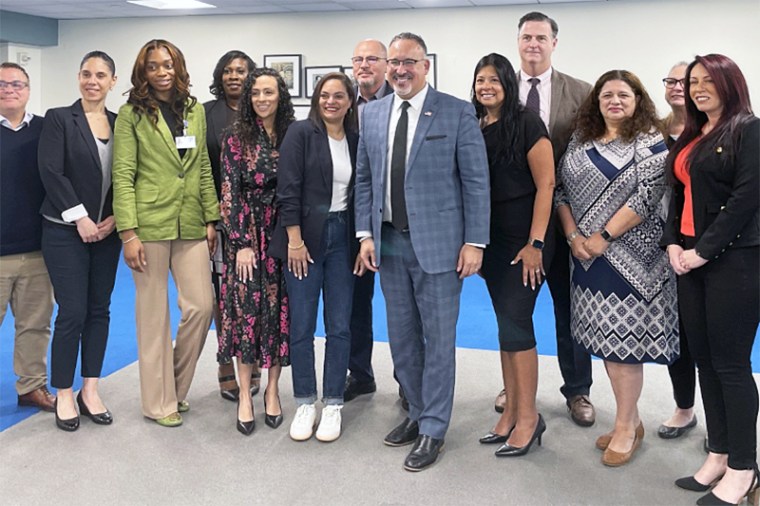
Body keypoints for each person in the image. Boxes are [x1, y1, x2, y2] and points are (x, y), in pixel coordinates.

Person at [355, 32, 490, 472]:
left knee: (438, 341)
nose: (399, 70)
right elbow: (365, 181)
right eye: (393, 62)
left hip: (440, 247)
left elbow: (475, 181)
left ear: (425, 65)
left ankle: (434, 426)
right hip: (389, 244)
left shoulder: (455, 111)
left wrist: (475, 241)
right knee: (402, 339)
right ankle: (415, 410)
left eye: (408, 62)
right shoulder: (372, 115)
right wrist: (365, 235)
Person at [555, 69, 678, 467]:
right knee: (607, 343)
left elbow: (649, 195)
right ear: (596, 101)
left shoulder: (648, 139)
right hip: (587, 260)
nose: (615, 101)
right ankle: (632, 419)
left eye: (624, 95)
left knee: (625, 347)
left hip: (633, 262)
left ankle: (625, 426)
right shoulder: (581, 138)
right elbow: (560, 189)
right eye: (607, 95)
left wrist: (601, 238)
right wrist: (574, 237)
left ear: (638, 99)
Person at [663, 54, 759, 505]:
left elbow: (745, 199)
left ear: (728, 83)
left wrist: (702, 250)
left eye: (707, 80)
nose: (697, 88)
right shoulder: (692, 134)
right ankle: (718, 453)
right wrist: (673, 245)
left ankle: (744, 467)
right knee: (704, 360)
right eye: (691, 81)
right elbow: (677, 193)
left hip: (734, 261)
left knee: (731, 366)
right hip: (688, 259)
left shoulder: (748, 129)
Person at [495, 11, 595, 427]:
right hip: (513, 226)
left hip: (568, 221)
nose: (532, 44)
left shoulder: (582, 93)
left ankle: (577, 391)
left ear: (554, 42)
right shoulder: (499, 91)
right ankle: (514, 388)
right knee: (513, 310)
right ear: (517, 42)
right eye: (526, 37)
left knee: (569, 310)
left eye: (541, 37)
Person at [113, 39, 219, 428]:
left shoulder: (193, 110)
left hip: (190, 221)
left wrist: (211, 217)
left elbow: (203, 165)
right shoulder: (131, 114)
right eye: (154, 66)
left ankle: (171, 386)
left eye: (168, 64)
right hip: (148, 224)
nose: (162, 72)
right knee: (153, 315)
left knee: (201, 306)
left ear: (179, 67)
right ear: (144, 71)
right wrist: (128, 233)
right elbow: (122, 175)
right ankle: (158, 402)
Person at [270, 72, 361, 443]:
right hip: (304, 240)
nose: (331, 101)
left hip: (344, 238)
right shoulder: (300, 134)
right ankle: (306, 400)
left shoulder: (355, 139)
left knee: (339, 325)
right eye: (324, 95)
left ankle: (334, 402)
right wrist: (294, 240)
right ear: (316, 98)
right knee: (303, 324)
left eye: (339, 96)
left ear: (350, 101)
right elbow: (287, 188)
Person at [472, 53, 555, 457]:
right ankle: (511, 413)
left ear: (508, 83)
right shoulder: (476, 125)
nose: (486, 86)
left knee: (518, 324)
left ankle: (529, 418)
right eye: (479, 80)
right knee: (506, 327)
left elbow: (547, 184)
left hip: (526, 241)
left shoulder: (526, 122)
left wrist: (536, 243)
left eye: (494, 79)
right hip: (492, 242)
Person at [38, 51, 121, 431]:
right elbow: (51, 172)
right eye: (86, 73)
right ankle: (65, 392)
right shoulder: (60, 119)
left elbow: (130, 176)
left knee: (99, 310)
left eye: (100, 75)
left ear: (112, 82)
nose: (92, 80)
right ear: (78, 77)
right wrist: (81, 218)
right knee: (72, 311)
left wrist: (116, 219)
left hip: (108, 232)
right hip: (64, 230)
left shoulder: (122, 124)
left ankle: (90, 388)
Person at [218, 68, 294, 436]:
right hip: (248, 236)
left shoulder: (293, 134)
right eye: (256, 93)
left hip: (283, 235)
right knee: (246, 312)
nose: (262, 99)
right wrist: (240, 244)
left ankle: (273, 390)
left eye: (269, 92)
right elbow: (229, 193)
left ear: (281, 95)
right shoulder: (235, 138)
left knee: (279, 311)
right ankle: (247, 396)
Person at [0, 62, 56, 413]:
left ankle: (31, 387)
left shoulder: (46, 130)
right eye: (2, 84)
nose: (9, 89)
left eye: (17, 83)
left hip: (38, 250)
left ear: (29, 90)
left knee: (35, 325)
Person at [203, 50, 259, 402]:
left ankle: (251, 363)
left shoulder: (264, 110)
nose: (234, 76)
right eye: (228, 71)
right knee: (222, 296)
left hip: (258, 221)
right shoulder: (204, 114)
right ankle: (226, 362)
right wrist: (211, 215)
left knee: (252, 295)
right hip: (218, 219)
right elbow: (196, 167)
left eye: (241, 70)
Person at [343, 38, 394, 404]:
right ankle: (360, 374)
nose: (364, 65)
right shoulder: (342, 103)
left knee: (403, 304)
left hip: (395, 219)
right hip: (351, 219)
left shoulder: (403, 100)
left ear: (387, 64)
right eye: (358, 59)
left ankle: (409, 382)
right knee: (354, 303)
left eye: (372, 59)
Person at [658, 61, 699, 440]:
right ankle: (684, 407)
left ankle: (722, 425)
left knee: (709, 338)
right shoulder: (653, 130)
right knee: (677, 333)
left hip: (704, 244)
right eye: (670, 80)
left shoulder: (714, 131)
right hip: (662, 244)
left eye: (684, 81)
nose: (676, 87)